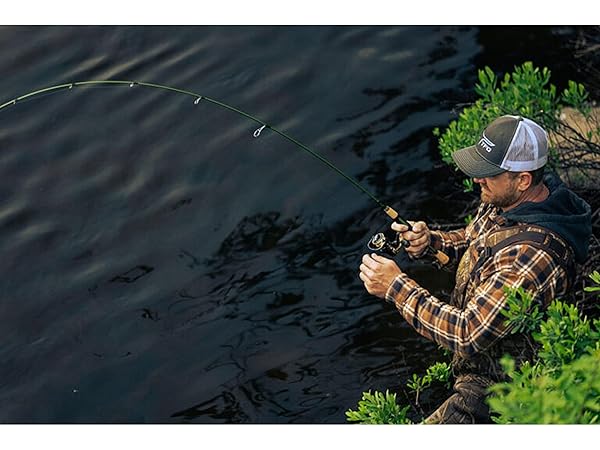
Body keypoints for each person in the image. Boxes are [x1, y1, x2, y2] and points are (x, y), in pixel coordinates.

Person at [359, 115, 592, 424]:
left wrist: (396, 288)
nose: (477, 179)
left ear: (523, 180)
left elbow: (468, 332)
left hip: (502, 386)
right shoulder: (509, 201)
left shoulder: (530, 256)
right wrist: (431, 243)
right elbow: (475, 242)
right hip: (478, 364)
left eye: (488, 173)